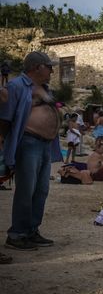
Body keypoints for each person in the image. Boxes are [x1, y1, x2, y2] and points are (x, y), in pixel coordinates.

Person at [0, 51, 63, 250]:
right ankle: (17, 234)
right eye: (49, 66)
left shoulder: (45, 88)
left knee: (41, 190)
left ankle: (31, 230)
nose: (52, 71)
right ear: (37, 67)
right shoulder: (17, 86)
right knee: (26, 190)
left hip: (45, 145)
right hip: (28, 143)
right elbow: (5, 118)